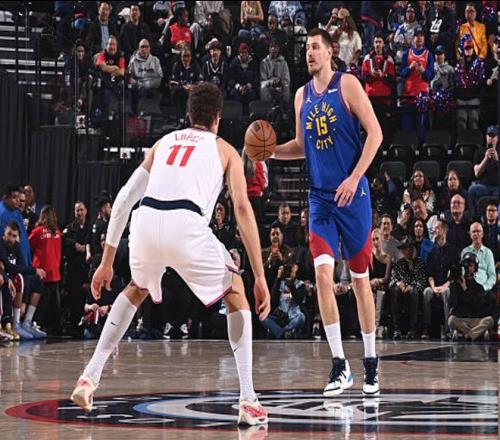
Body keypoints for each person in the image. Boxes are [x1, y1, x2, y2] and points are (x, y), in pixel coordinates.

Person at [71, 83, 270, 426]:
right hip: (187, 222)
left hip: (146, 220)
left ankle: (89, 377)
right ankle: (249, 399)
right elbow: (241, 208)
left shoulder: (162, 143)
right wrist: (261, 276)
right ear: (218, 117)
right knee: (236, 290)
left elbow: (124, 199)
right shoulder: (225, 150)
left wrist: (106, 262)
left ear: (189, 114)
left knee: (136, 288)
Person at [271, 28, 383, 397]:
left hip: (353, 195)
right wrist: (270, 151)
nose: (309, 53)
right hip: (320, 198)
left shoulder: (347, 84)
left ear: (330, 51)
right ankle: (339, 364)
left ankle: (370, 361)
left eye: (315, 47)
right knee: (322, 275)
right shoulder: (301, 95)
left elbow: (376, 134)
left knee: (360, 280)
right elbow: (301, 146)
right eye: (306, 48)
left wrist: (354, 177)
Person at [422, 218, 459, 339]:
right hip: (435, 285)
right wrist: (434, 288)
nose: (435, 230)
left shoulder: (453, 251)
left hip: (447, 285)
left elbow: (454, 275)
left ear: (444, 230)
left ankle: (448, 329)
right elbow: (430, 274)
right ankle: (426, 328)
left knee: (446, 292)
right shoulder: (432, 252)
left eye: (437, 228)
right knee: (427, 292)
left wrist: (443, 287)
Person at [448, 252, 495, 341]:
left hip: (475, 320)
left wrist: (465, 289)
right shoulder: (457, 285)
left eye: (471, 266)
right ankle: (477, 334)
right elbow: (452, 303)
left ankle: (465, 334)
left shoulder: (479, 287)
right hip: (462, 319)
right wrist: (452, 284)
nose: (468, 268)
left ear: (475, 268)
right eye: (466, 265)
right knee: (451, 320)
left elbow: (476, 305)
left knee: (490, 320)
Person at [468, 125, 499, 216]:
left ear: (497, 138)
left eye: (493, 136)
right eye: (489, 135)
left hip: (498, 186)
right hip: (484, 186)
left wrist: (497, 160)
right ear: (486, 137)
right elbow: (477, 173)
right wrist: (486, 158)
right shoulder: (479, 151)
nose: (491, 138)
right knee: (472, 190)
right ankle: (475, 217)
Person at [460, 223, 496, 295]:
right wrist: (464, 287)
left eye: (478, 231)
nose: (476, 234)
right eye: (473, 232)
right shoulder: (465, 251)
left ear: (482, 234)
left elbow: (492, 276)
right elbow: (462, 272)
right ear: (470, 235)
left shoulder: (488, 252)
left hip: (483, 289)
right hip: (467, 287)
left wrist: (484, 287)